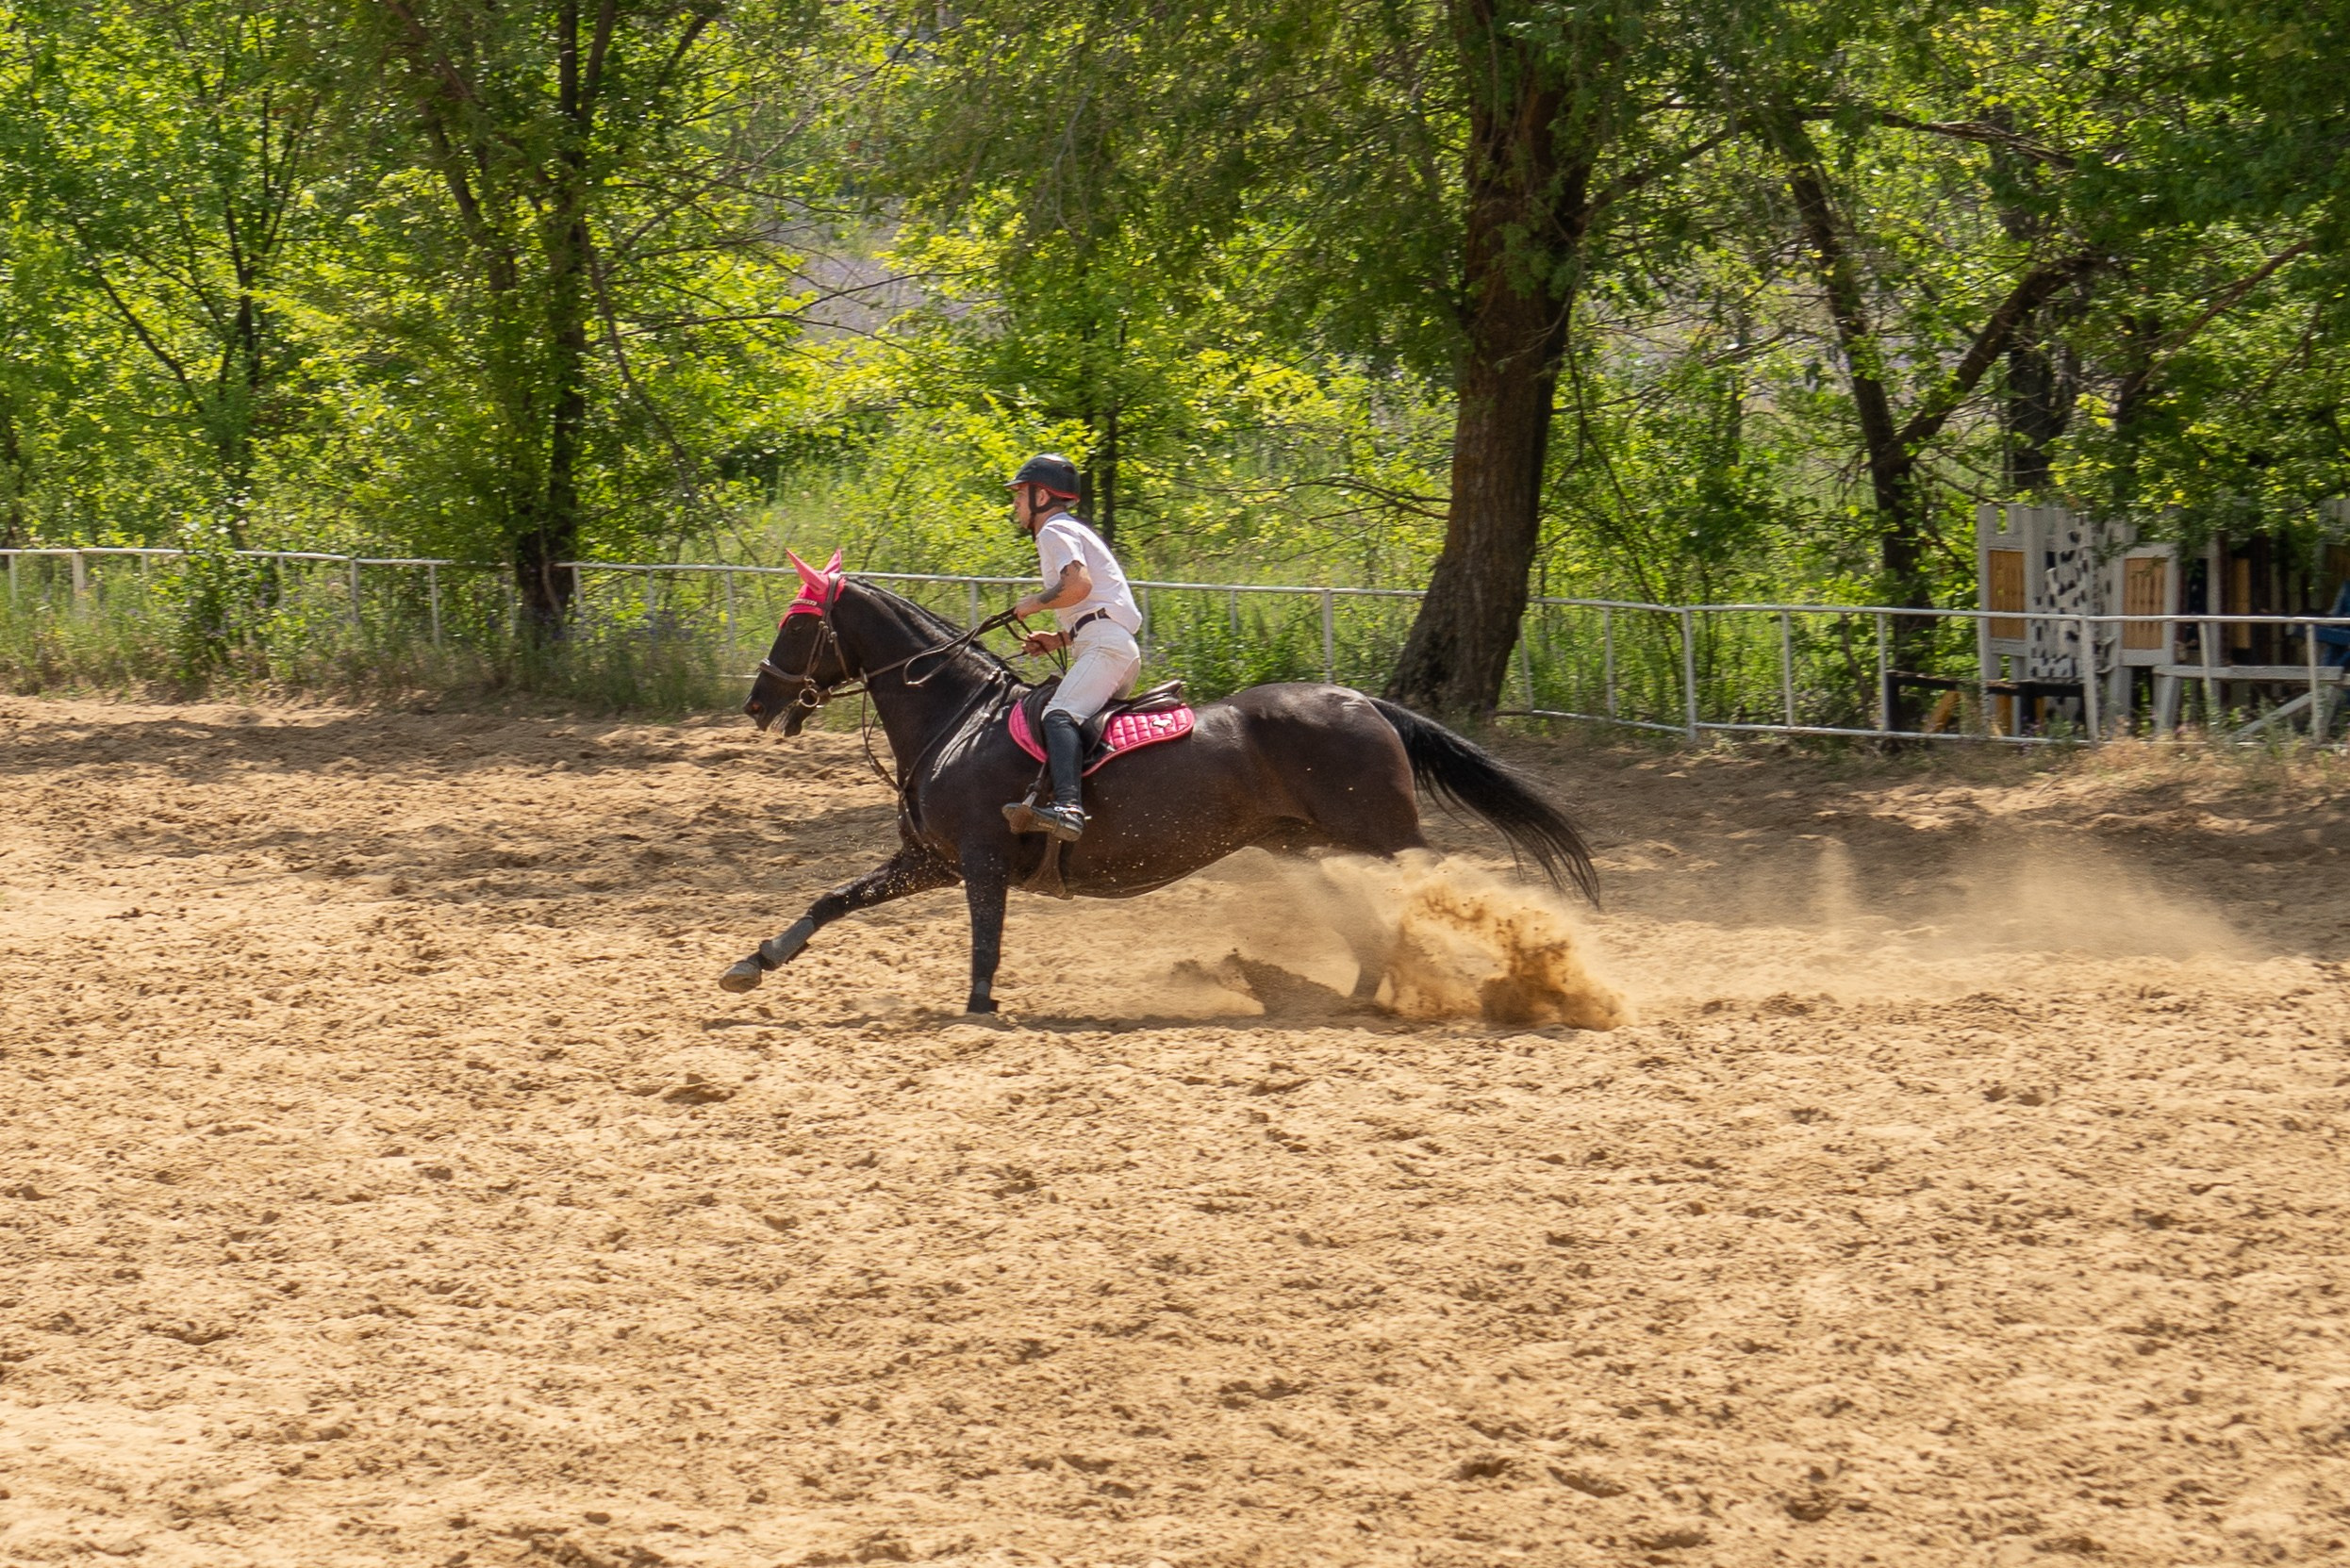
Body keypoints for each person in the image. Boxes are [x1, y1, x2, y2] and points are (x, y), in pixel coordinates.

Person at [1003, 453, 1143, 843]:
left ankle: (1068, 809)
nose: (1015, 503)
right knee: (1074, 721)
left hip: (1105, 647)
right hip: (1106, 643)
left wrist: (1035, 603)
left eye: (1019, 494)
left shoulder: (1053, 531)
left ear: (1042, 496)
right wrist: (1058, 639)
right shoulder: (1069, 530)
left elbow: (1077, 586)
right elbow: (1094, 604)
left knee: (1058, 715)